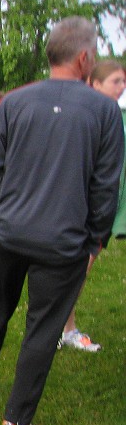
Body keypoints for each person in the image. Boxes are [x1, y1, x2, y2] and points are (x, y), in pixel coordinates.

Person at [0, 16, 123, 425]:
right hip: (64, 240)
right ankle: (15, 422)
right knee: (43, 326)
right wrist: (96, 238)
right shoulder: (106, 112)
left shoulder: (13, 103)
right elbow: (106, 185)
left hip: (10, 231)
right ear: (85, 57)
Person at [59, 58, 126, 351]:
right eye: (116, 81)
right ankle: (59, 330)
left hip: (108, 206)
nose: (122, 87)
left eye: (124, 81)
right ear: (95, 84)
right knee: (75, 270)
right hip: (87, 207)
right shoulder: (87, 116)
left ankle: (62, 329)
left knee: (76, 271)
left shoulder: (117, 115)